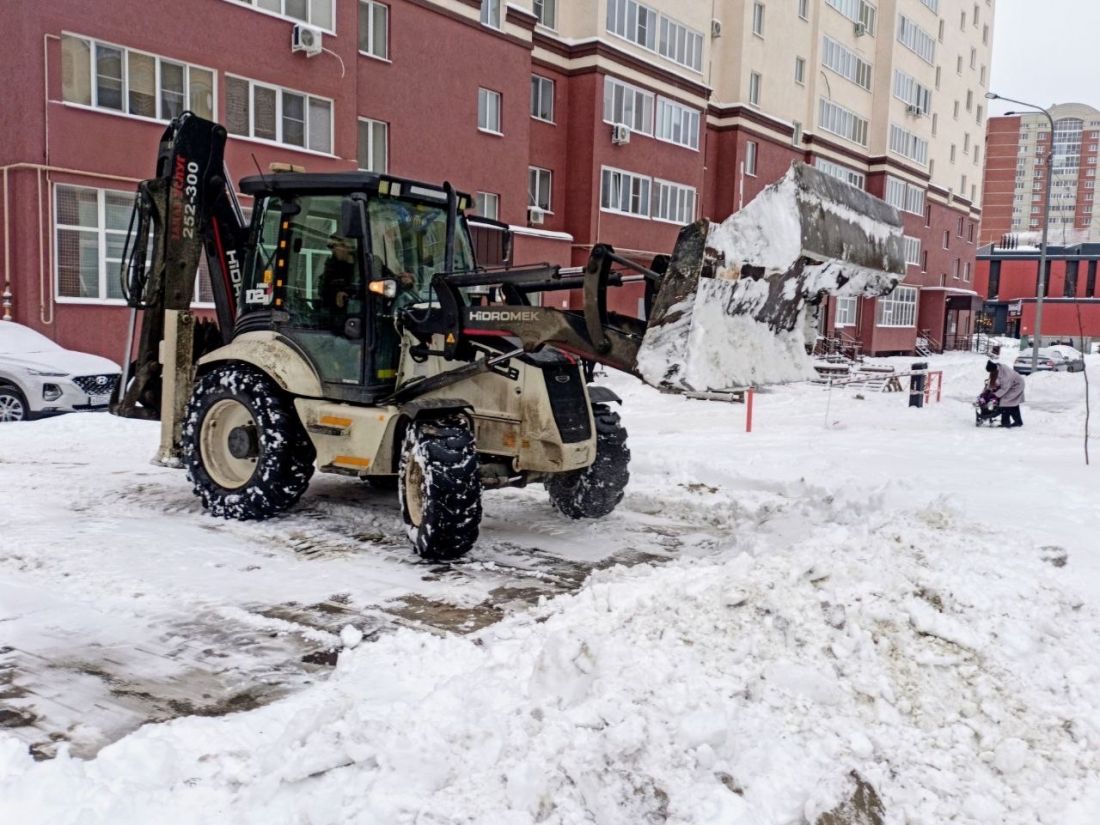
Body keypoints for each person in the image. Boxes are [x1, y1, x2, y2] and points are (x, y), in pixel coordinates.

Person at [319, 235, 359, 332]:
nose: (334, 250)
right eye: (332, 248)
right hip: (338, 316)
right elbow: (324, 290)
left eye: (336, 246)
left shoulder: (363, 263)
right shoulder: (331, 266)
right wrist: (336, 294)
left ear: (347, 247)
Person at [986, 359, 1025, 428]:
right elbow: (997, 381)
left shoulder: (1006, 376)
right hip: (1011, 385)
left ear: (994, 369)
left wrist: (994, 395)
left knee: (1005, 402)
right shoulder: (997, 368)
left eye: (991, 372)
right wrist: (989, 390)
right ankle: (1018, 422)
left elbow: (1004, 388)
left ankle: (1005, 423)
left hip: (1017, 386)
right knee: (1013, 404)